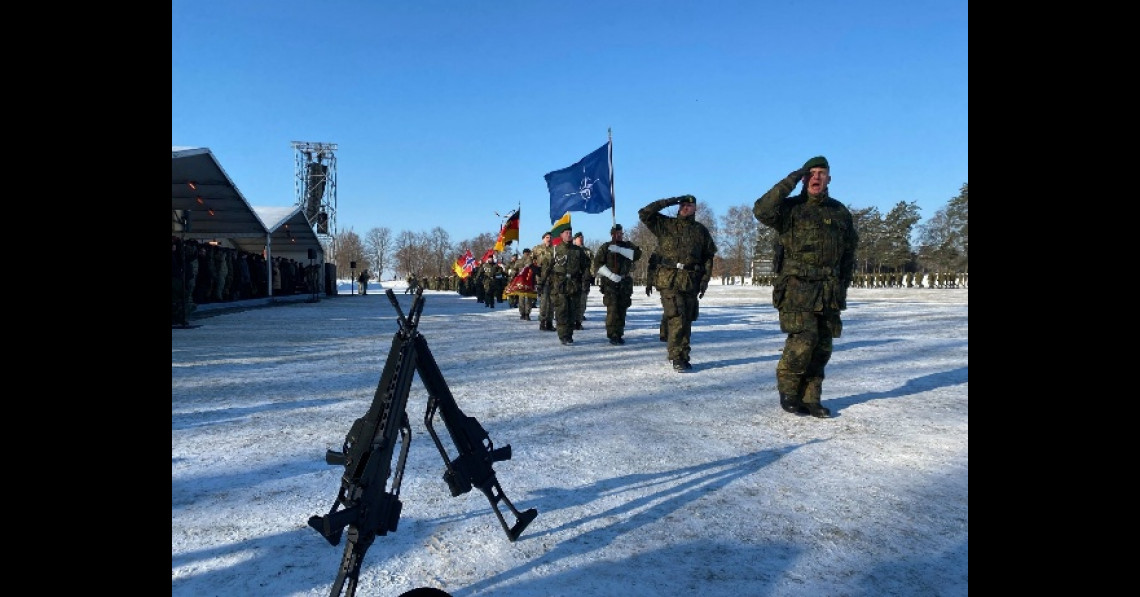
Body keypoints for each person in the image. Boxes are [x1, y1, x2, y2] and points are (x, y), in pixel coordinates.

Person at [753, 156, 858, 418]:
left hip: (828, 290)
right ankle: (789, 392)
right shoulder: (790, 209)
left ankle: (811, 398)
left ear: (829, 179)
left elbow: (848, 255)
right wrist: (791, 179)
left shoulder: (839, 212)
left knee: (822, 346)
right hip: (798, 287)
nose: (816, 177)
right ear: (803, 178)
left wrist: (842, 288)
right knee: (803, 340)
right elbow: (761, 210)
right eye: (811, 173)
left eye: (822, 173)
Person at [638, 195, 717, 371]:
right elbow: (644, 213)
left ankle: (681, 352)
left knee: (686, 319)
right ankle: (677, 357)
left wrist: (704, 280)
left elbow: (708, 257)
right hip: (668, 278)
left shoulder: (700, 231)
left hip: (690, 280)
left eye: (689, 205)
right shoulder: (666, 225)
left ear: (695, 208)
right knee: (677, 316)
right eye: (682, 205)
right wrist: (669, 201)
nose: (684, 208)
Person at [592, 223, 642, 345]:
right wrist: (610, 275)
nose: (619, 235)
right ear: (612, 235)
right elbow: (597, 264)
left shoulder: (628, 246)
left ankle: (619, 332)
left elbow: (637, 255)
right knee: (613, 309)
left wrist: (620, 250)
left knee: (622, 309)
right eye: (617, 234)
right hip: (610, 283)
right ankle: (612, 334)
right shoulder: (605, 247)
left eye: (621, 233)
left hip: (624, 282)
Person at [547, 222, 591, 345]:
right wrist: (543, 283)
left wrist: (586, 280)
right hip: (559, 284)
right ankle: (563, 335)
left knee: (572, 310)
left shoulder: (577, 251)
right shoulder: (555, 250)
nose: (569, 235)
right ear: (561, 235)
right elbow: (547, 267)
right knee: (561, 310)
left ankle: (569, 334)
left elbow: (586, 266)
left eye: (570, 233)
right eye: (566, 233)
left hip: (574, 283)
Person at [532, 232, 555, 331]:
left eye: (550, 237)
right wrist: (535, 270)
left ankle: (549, 323)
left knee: (552, 301)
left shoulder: (555, 249)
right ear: (543, 239)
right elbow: (529, 261)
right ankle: (542, 322)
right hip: (542, 278)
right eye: (547, 237)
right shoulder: (537, 249)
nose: (549, 239)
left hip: (553, 278)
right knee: (544, 301)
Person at [572, 231, 593, 329]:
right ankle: (572, 320)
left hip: (584, 279)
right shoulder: (571, 250)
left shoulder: (588, 251)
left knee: (582, 301)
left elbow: (593, 265)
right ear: (574, 239)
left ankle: (578, 321)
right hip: (573, 280)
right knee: (572, 301)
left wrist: (591, 276)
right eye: (579, 238)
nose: (581, 239)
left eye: (582, 237)